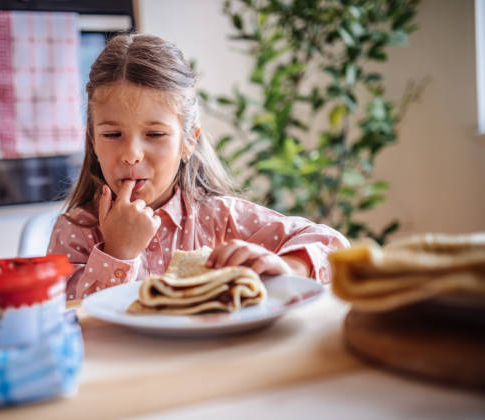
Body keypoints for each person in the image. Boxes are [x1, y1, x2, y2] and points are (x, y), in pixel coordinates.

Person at [47, 34, 349, 301]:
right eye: (112, 135)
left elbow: (334, 245)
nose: (131, 154)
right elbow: (72, 324)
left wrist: (287, 267)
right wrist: (117, 254)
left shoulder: (220, 219)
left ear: (188, 143)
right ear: (93, 142)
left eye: (155, 134)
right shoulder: (75, 231)